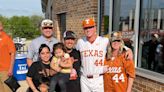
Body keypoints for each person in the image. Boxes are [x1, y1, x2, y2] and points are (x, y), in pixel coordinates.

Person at [76, 18, 133, 92]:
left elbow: (116, 44)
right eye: (86, 28)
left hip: (98, 79)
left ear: (95, 28)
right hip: (84, 79)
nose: (88, 30)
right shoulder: (80, 42)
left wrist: (128, 49)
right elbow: (74, 53)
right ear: (83, 30)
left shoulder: (103, 41)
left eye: (90, 27)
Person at [0, 21, 16, 92]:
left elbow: (13, 53)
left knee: (7, 90)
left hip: (5, 70)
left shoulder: (6, 38)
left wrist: (10, 68)